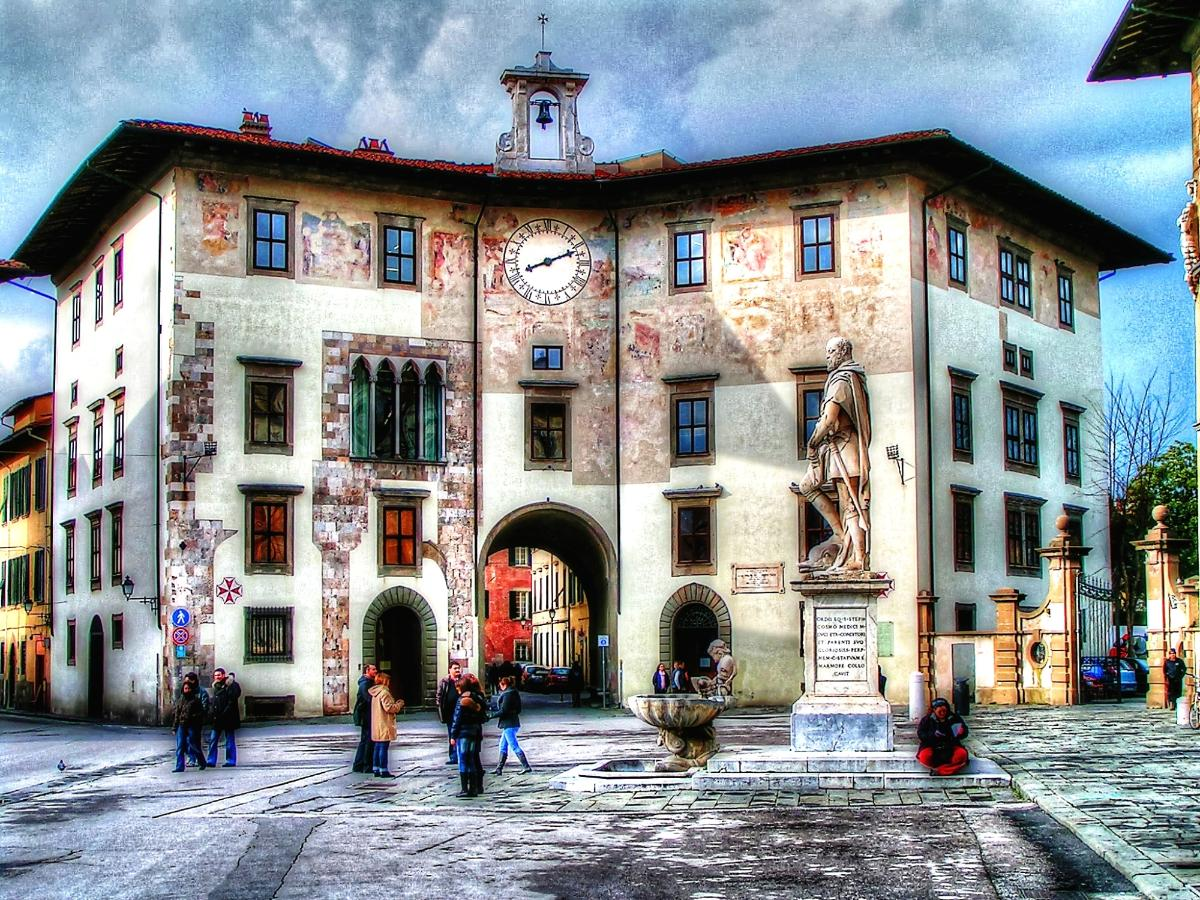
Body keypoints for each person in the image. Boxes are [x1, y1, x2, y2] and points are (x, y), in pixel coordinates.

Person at [797, 335, 872, 573]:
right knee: (807, 485)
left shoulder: (842, 381)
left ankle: (859, 558)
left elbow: (829, 418)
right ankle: (841, 538)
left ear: (841, 353)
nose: (827, 357)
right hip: (836, 449)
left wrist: (812, 443)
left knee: (851, 505)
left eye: (830, 353)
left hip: (846, 448)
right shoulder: (849, 378)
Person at [451, 673, 488, 797]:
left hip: (463, 733)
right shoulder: (477, 697)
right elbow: (484, 713)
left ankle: (464, 789)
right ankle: (474, 788)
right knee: (472, 759)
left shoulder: (462, 700)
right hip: (474, 732)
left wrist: (453, 735)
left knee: (463, 760)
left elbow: (457, 719)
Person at [916, 698, 969, 776]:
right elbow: (921, 733)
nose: (942, 713)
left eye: (944, 711)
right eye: (939, 712)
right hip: (932, 746)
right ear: (934, 710)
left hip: (951, 746)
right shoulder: (927, 720)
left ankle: (939, 771)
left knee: (962, 754)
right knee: (924, 756)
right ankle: (947, 770)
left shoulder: (954, 718)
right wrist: (932, 735)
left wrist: (962, 731)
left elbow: (964, 733)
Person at [492, 675, 532, 775]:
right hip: (511, 722)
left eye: (500, 685)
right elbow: (518, 709)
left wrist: (491, 715)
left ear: (503, 684)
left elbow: (504, 710)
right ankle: (499, 768)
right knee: (503, 745)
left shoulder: (507, 694)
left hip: (509, 723)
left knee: (514, 745)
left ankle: (526, 766)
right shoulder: (514, 693)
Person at [368, 672, 405, 778]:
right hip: (384, 723)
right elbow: (389, 708)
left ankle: (376, 768)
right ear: (385, 681)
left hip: (377, 723)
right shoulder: (384, 692)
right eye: (388, 680)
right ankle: (383, 770)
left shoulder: (375, 693)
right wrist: (399, 704)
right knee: (383, 747)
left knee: (377, 746)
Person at [207, 668, 241, 767]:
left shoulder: (231, 685)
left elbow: (233, 699)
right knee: (213, 740)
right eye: (215, 675)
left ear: (223, 675)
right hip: (217, 718)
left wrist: (224, 712)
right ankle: (211, 760)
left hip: (228, 718)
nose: (217, 677)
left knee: (229, 740)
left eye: (219, 675)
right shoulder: (215, 686)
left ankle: (231, 760)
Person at [172, 676, 207, 773]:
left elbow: (201, 713)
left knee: (193, 744)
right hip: (182, 725)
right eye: (185, 688)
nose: (187, 690)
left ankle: (201, 761)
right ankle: (179, 766)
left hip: (192, 725)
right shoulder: (181, 700)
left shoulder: (195, 700)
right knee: (180, 746)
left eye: (188, 688)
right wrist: (174, 727)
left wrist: (193, 717)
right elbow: (177, 714)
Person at [351, 663, 378, 773]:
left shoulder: (367, 682)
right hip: (366, 716)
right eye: (373, 669)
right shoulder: (365, 684)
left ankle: (358, 765)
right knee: (368, 741)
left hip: (366, 715)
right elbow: (368, 699)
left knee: (365, 741)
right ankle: (366, 765)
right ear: (367, 670)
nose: (376, 671)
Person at [436, 661, 463, 764]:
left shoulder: (462, 680)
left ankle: (461, 754)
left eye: (458, 668)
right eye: (455, 668)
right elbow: (439, 695)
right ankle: (453, 756)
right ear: (450, 669)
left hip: (460, 712)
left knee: (460, 733)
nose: (457, 670)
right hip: (449, 712)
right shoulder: (445, 681)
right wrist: (440, 708)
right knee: (452, 734)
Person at [182, 672, 208, 768]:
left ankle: (198, 760)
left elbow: (204, 708)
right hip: (185, 722)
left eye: (189, 681)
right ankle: (191, 758)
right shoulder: (185, 692)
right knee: (187, 741)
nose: (187, 683)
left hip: (195, 722)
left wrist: (196, 716)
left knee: (194, 741)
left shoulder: (201, 693)